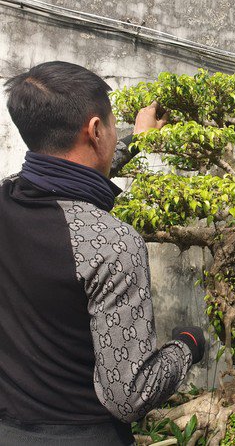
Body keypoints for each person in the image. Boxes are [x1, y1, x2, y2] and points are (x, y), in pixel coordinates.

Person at [0, 61, 206, 445]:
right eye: (111, 124)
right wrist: (188, 345)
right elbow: (129, 395)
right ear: (95, 130)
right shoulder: (112, 243)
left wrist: (136, 139)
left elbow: (64, 180)